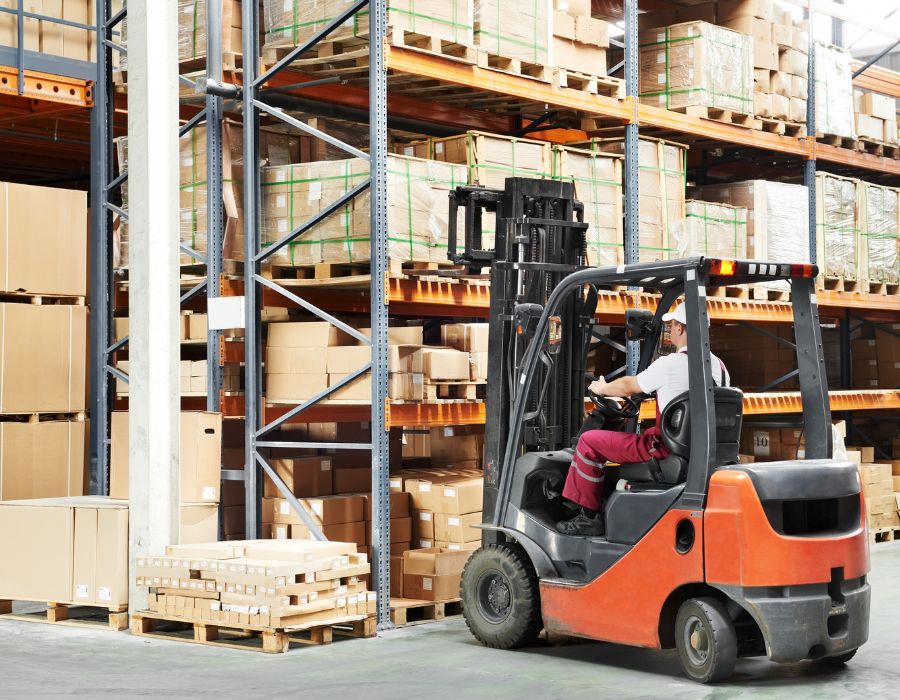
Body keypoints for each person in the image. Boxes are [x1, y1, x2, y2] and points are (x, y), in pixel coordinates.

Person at [557, 303, 730, 536]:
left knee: (588, 441)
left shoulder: (669, 364)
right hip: (702, 453)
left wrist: (603, 388)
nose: (670, 331)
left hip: (663, 450)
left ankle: (587, 517)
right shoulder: (720, 368)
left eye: (671, 326)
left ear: (680, 328)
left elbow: (629, 386)